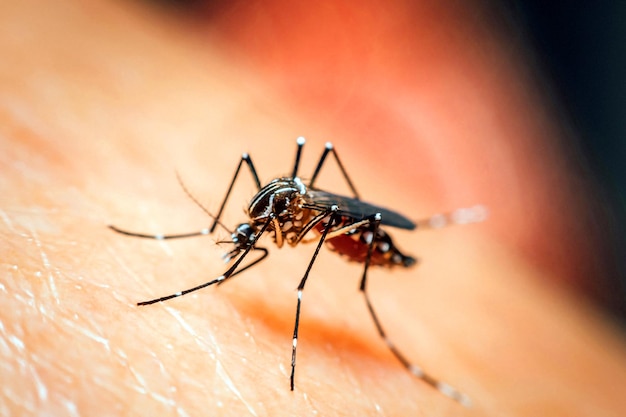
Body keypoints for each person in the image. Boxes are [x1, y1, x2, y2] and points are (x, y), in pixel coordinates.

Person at [2, 0, 625, 415]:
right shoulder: (261, 204)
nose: (247, 238)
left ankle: (421, 236)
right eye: (247, 231)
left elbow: (303, 232)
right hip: (321, 212)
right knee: (303, 160)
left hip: (355, 224)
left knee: (318, 186)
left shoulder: (295, 214)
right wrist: (212, 229)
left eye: (248, 232)